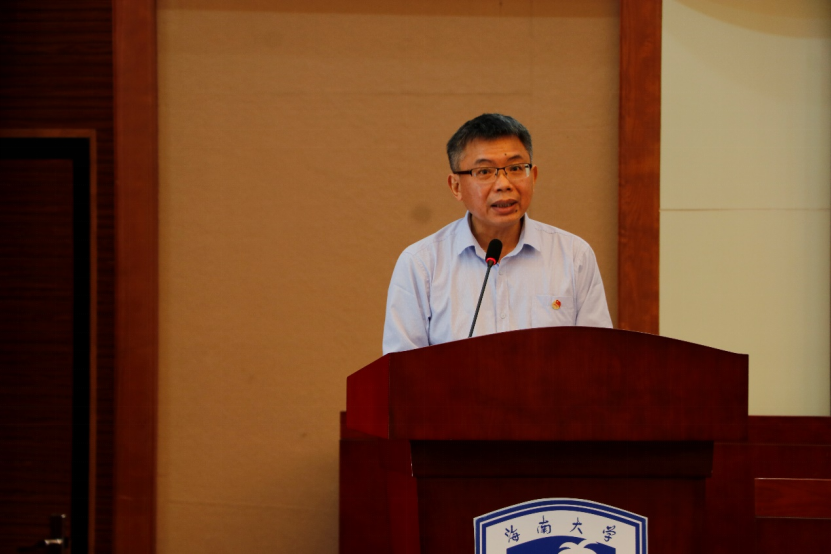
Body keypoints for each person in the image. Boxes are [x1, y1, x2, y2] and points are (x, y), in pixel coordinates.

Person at [382, 113, 612, 354]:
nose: (504, 184)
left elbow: (597, 357)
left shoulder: (574, 256)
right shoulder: (422, 265)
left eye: (515, 168)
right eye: (484, 171)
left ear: (533, 177)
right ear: (456, 186)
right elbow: (401, 369)